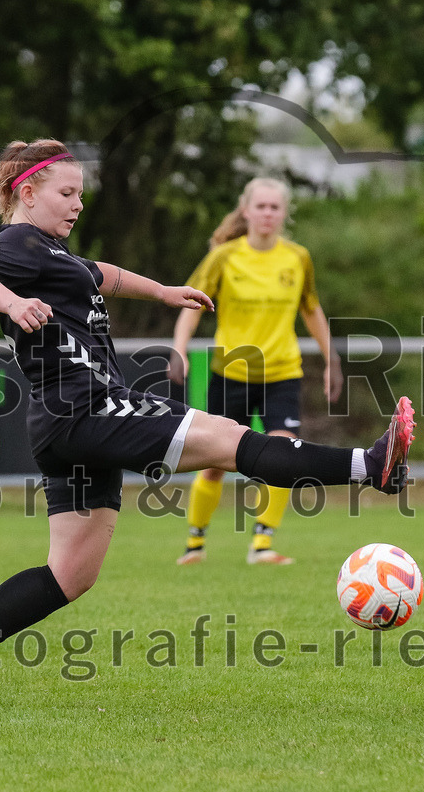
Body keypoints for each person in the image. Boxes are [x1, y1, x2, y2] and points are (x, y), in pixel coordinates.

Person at [0, 139, 416, 708]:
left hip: (63, 427)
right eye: (66, 193)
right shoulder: (17, 242)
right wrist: (8, 303)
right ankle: (371, 466)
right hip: (88, 407)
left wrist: (161, 291)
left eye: (80, 193)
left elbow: (102, 274)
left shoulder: (56, 255)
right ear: (26, 194)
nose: (78, 204)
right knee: (232, 442)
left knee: (70, 574)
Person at [168, 178, 343, 565]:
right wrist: (178, 348)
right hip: (231, 372)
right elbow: (192, 304)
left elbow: (311, 309)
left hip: (282, 371)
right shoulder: (225, 256)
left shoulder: (297, 257)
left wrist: (333, 359)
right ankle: (195, 542)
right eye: (260, 207)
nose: (267, 214)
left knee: (284, 452)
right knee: (215, 463)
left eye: (274, 207)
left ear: (284, 214)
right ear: (246, 211)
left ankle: (262, 544)